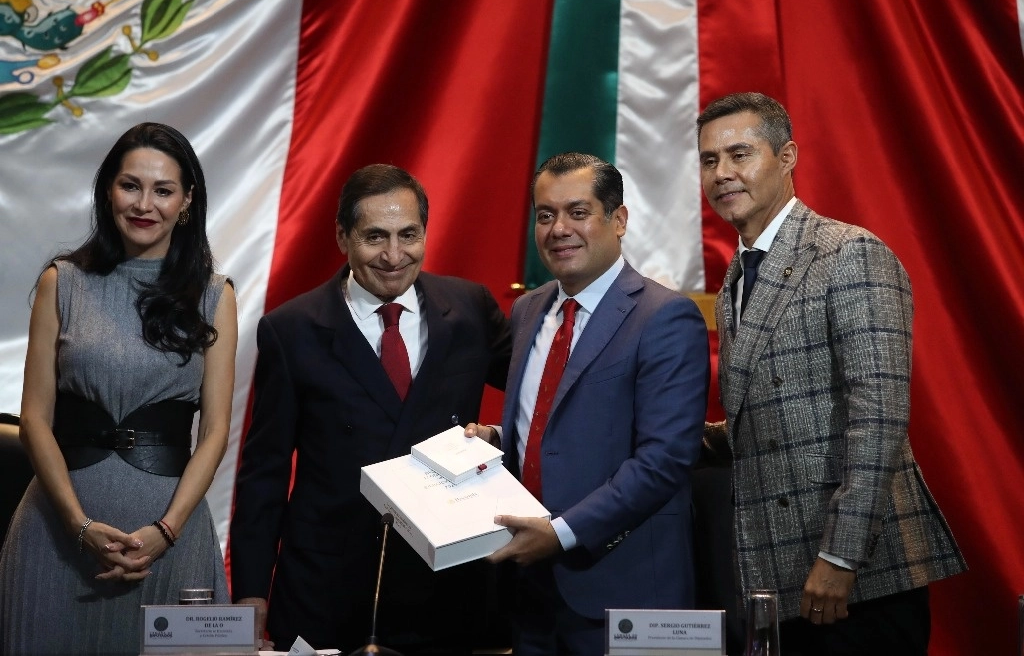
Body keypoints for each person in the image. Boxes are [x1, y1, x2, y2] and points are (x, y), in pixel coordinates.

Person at [697, 91, 966, 655]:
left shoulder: (849, 253)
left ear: (788, 156)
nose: (722, 173)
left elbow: (880, 417)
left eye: (740, 154)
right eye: (709, 160)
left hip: (858, 579)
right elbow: (773, 414)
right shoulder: (737, 280)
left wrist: (841, 555)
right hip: (781, 571)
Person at [229, 163, 512, 654]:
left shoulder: (470, 309)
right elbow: (264, 472)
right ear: (342, 236)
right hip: (329, 587)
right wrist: (252, 591)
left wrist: (500, 437)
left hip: (449, 587)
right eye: (375, 237)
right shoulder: (291, 329)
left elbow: (547, 403)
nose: (394, 255)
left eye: (409, 235)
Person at [0, 122, 237, 655]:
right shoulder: (60, 282)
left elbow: (216, 431)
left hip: (174, 543)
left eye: (163, 190)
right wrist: (78, 527)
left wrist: (166, 531)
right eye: (130, 185)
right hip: (56, 539)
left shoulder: (215, 295)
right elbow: (34, 419)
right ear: (108, 189)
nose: (144, 204)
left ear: (187, 201)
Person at [466, 152, 710, 655]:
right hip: (528, 591)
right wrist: (498, 437)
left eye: (578, 212)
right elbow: (554, 423)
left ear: (618, 220)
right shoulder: (528, 309)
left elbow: (666, 459)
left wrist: (562, 533)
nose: (559, 229)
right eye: (545, 214)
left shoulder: (665, 316)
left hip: (626, 592)